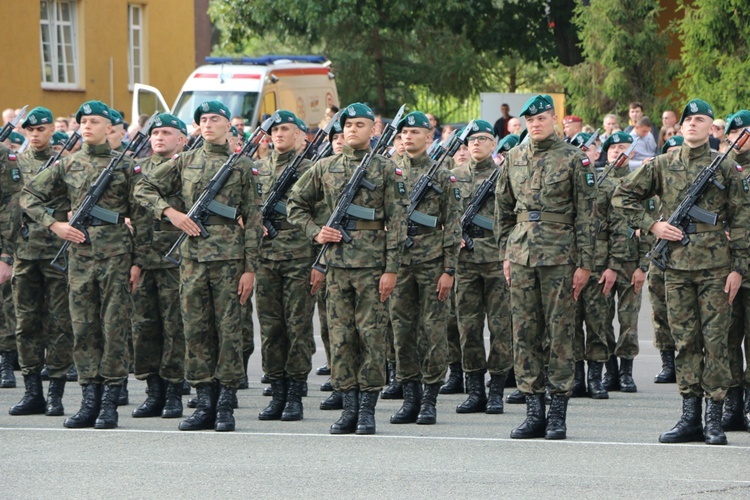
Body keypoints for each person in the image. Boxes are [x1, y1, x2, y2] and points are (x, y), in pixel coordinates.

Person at [612, 98, 749, 446]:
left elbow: (742, 220)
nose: (692, 124)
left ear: (709, 128)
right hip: (675, 266)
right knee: (685, 341)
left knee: (715, 342)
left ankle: (714, 419)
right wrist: (652, 225)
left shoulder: (725, 167)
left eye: (700, 119)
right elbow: (622, 196)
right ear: (679, 127)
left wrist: (739, 269)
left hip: (717, 268)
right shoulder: (663, 163)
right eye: (688, 120)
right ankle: (690, 416)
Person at [135, 100, 262, 432]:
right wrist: (171, 213)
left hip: (230, 261)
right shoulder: (185, 161)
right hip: (192, 260)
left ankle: (225, 404)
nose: (207, 124)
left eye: (214, 118)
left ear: (227, 126)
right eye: (202, 119)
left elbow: (252, 218)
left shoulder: (242, 165)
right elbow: (143, 189)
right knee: (195, 330)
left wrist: (250, 267)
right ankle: (204, 401)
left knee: (229, 332)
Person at [22, 100, 150, 429]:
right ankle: (88, 400)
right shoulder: (67, 165)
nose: (88, 126)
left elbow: (142, 218)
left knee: (114, 329)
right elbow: (28, 196)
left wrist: (138, 263)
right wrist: (55, 225)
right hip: (79, 260)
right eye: (83, 121)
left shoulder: (126, 165)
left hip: (116, 259)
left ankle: (109, 402)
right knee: (83, 329)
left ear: (110, 128)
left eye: (95, 121)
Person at [286, 102, 407, 435]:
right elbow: (294, 204)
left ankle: (367, 409)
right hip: (337, 267)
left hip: (372, 267)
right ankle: (348, 407)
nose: (352, 130)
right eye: (347, 125)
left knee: (371, 337)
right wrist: (315, 231)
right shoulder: (325, 167)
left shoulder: (386, 169)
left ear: (373, 130)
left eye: (359, 125)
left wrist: (391, 269)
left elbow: (397, 223)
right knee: (340, 339)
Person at [495, 94, 596, 440]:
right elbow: (503, 211)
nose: (535, 124)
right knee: (524, 334)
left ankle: (557, 413)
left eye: (541, 118)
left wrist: (584, 263)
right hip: (522, 256)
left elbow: (586, 215)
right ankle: (533, 410)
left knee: (560, 335)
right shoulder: (514, 157)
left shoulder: (574, 159)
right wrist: (505, 255)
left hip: (560, 258)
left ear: (554, 119)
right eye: (530, 120)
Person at [388, 111, 461, 426]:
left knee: (432, 331)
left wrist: (449, 269)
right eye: (404, 132)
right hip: (399, 264)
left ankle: (429, 399)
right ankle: (410, 398)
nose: (408, 137)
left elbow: (453, 224)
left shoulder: (443, 175)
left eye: (415, 132)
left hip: (431, 263)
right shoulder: (389, 172)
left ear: (429, 137)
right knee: (401, 331)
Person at [7, 107, 74, 417]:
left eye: (42, 129)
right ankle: (33, 391)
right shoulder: (13, 164)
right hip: (23, 253)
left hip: (57, 253)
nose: (35, 134)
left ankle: (56, 391)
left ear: (51, 131)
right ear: (23, 132)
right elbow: (7, 210)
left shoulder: (64, 165)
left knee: (61, 322)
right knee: (26, 322)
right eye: (30, 130)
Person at [254, 110, 316, 422]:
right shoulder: (258, 169)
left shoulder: (311, 169)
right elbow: (245, 207)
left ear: (299, 135)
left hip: (299, 257)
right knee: (270, 327)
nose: (278, 134)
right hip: (265, 258)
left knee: (298, 326)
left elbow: (321, 213)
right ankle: (276, 390)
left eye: (285, 129)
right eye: (274, 129)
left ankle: (295, 394)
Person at [130, 113, 189, 420]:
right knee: (144, 328)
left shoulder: (188, 167)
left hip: (175, 260)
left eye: (166, 132)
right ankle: (153, 391)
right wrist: (134, 261)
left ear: (182, 138)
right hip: (144, 258)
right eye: (155, 133)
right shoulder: (136, 168)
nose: (159, 137)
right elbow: (132, 214)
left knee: (175, 328)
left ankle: (174, 392)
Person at [452, 126, 514, 415]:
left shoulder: (504, 174)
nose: (476, 144)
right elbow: (445, 214)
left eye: (483, 140)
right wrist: (454, 236)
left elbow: (514, 215)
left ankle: (497, 390)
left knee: (501, 326)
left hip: (496, 259)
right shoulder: (454, 175)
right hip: (464, 262)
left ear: (494, 145)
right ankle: (474, 389)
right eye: (472, 140)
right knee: (468, 327)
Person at [597, 132, 651, 395]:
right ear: (605, 153)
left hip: (631, 264)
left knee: (629, 320)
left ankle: (627, 372)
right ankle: (610, 371)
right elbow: (597, 230)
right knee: (603, 319)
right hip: (605, 264)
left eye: (623, 147)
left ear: (632, 153)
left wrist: (643, 266)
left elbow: (650, 227)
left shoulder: (641, 183)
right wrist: (605, 264)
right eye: (613, 147)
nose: (618, 151)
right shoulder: (598, 183)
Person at [649, 135, 683, 386]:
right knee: (660, 311)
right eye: (669, 151)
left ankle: (687, 363)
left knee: (685, 314)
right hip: (659, 255)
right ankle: (667, 363)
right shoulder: (655, 181)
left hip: (686, 255)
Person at [724, 110, 750, 431]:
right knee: (727, 340)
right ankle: (731, 406)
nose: (744, 137)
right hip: (727, 268)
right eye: (738, 132)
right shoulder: (720, 169)